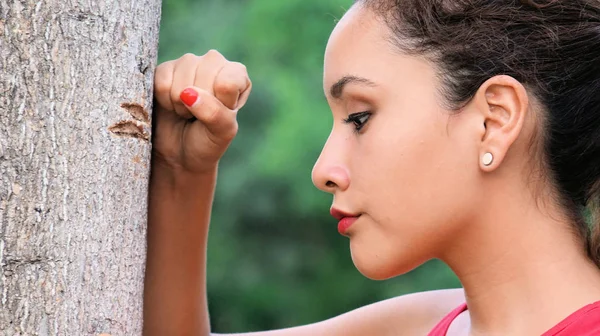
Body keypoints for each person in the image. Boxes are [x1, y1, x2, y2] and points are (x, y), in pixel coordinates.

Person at [142, 0, 600, 335]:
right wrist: (182, 169)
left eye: (360, 118)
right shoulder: (423, 325)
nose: (323, 171)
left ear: (493, 120)